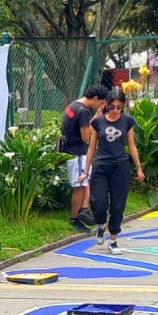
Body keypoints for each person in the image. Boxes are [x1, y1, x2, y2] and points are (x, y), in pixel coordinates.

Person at [82, 90, 145, 254]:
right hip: (101, 166)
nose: (116, 111)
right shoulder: (98, 122)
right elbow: (91, 147)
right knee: (99, 203)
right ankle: (101, 225)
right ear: (106, 106)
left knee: (118, 205)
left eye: (119, 107)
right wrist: (85, 170)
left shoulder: (127, 121)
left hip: (120, 166)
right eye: (112, 107)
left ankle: (113, 240)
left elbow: (131, 145)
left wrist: (138, 167)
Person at [61, 85, 109, 230]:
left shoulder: (73, 105)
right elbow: (86, 137)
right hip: (78, 153)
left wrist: (97, 115)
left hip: (70, 150)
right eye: (101, 103)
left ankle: (83, 210)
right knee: (80, 187)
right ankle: (75, 218)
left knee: (84, 183)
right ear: (95, 98)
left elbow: (85, 127)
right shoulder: (83, 112)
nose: (100, 106)